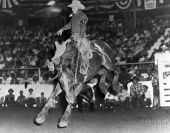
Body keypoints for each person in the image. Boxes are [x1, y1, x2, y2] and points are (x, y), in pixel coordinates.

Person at [50, 0, 92, 76]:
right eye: (72, 7)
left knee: (84, 49)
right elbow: (70, 24)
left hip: (80, 35)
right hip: (72, 36)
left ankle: (85, 66)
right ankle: (53, 61)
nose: (72, 9)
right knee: (62, 47)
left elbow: (83, 27)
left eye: (73, 7)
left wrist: (80, 36)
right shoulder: (73, 16)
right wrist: (62, 29)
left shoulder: (83, 16)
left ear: (78, 7)